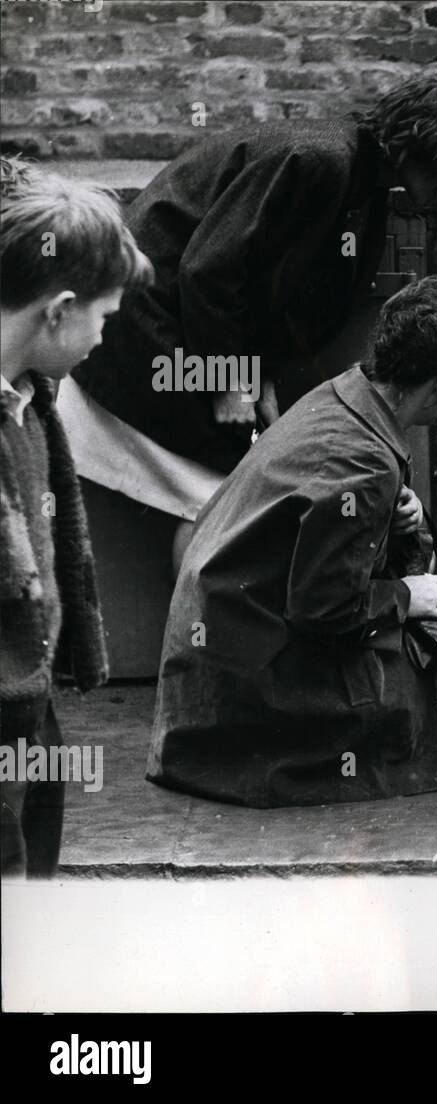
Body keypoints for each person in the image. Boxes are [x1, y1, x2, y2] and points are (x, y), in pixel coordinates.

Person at [63, 73, 437, 569]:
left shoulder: (355, 174)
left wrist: (258, 375)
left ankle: (210, 633)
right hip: (151, 332)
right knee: (227, 495)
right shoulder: (320, 159)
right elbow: (209, 269)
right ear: (427, 145)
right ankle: (204, 637)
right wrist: (230, 380)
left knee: (239, 490)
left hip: (182, 335)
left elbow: (271, 294)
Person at [147, 273, 437, 808]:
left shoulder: (346, 392)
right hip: (241, 680)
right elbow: (323, 610)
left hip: (219, 644)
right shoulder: (365, 462)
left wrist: (399, 521)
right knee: (406, 682)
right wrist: (405, 596)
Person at [0, 161, 154, 876]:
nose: (103, 338)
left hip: (27, 699)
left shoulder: (30, 402)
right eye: (103, 317)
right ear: (58, 310)